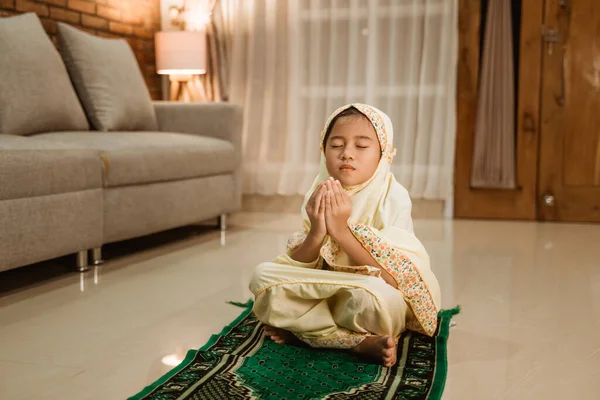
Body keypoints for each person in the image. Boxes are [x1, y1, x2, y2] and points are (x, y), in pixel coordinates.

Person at [249, 104, 441, 367]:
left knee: (370, 298)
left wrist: (341, 232)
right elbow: (301, 267)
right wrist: (317, 231)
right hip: (325, 289)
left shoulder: (393, 198)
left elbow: (397, 280)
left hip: (366, 294)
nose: (347, 154)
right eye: (336, 145)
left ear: (383, 154)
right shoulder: (318, 192)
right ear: (323, 150)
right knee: (262, 276)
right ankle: (358, 342)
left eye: (361, 146)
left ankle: (304, 331)